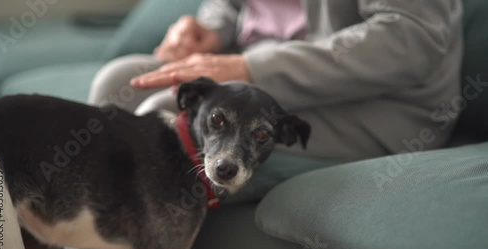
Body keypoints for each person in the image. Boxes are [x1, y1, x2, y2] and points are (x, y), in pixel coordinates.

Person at [89, 0, 463, 161]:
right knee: (118, 83)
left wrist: (250, 69)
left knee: (166, 118)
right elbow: (231, 6)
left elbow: (411, 39)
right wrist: (211, 31)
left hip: (372, 101)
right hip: (255, 70)